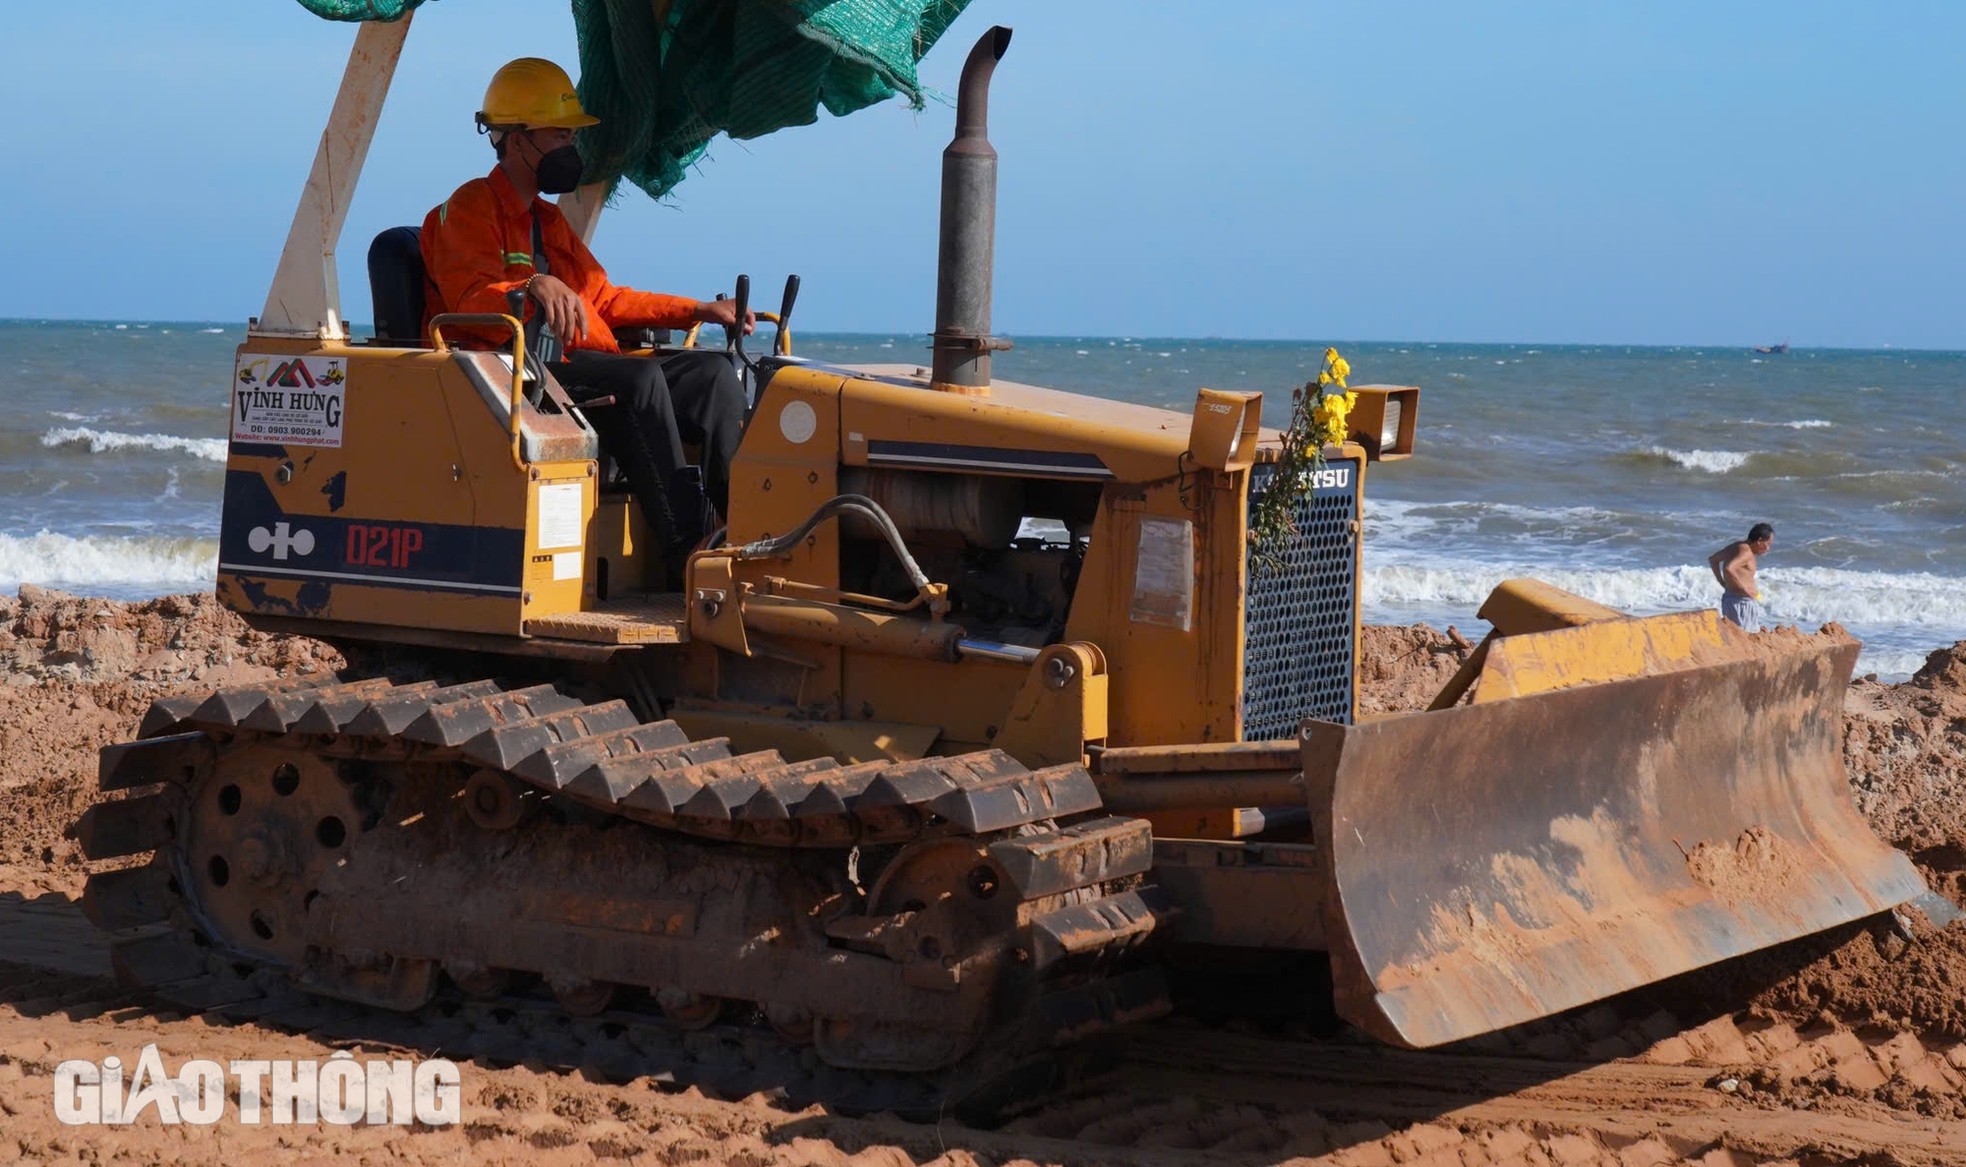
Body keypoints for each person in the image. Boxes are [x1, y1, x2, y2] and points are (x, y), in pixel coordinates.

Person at [420, 57, 751, 557]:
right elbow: (471, 303)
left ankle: (747, 525)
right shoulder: (467, 209)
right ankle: (688, 544)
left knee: (713, 375)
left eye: (571, 137)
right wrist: (533, 284)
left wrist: (699, 310)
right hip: (509, 373)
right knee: (637, 381)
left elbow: (605, 297)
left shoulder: (548, 221)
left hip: (563, 366)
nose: (571, 148)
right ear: (517, 140)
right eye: (560, 136)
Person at [1708, 522, 1774, 633]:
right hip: (1741, 603)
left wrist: (1722, 583)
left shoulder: (1737, 546)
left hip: (1731, 599)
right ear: (1759, 541)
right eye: (1768, 544)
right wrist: (1745, 590)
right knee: (1744, 636)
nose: (1768, 549)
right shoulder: (1746, 552)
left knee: (1737, 636)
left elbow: (1713, 560)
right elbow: (1729, 568)